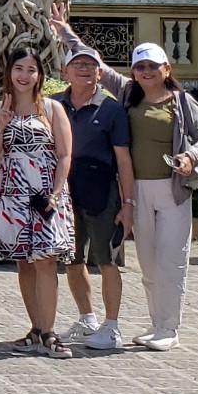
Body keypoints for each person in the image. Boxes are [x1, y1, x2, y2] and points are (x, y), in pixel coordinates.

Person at [124, 41, 198, 351]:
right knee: (147, 262)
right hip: (138, 189)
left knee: (171, 260)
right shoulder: (128, 96)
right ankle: (155, 323)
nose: (147, 71)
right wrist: (64, 32)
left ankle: (169, 327)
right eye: (140, 66)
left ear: (167, 69)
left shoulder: (180, 101)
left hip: (172, 189)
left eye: (153, 66)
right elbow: (97, 66)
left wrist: (190, 156)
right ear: (134, 72)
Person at [0, 45, 76, 358]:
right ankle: (36, 327)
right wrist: (1, 125)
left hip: (45, 193)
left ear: (39, 75)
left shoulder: (52, 109)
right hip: (13, 192)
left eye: (31, 70)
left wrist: (55, 192)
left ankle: (50, 331)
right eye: (18, 68)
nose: (24, 76)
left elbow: (64, 154)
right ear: (9, 72)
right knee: (23, 260)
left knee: (46, 259)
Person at [52, 43, 133, 352]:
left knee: (106, 260)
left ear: (100, 72)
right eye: (77, 64)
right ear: (64, 72)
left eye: (91, 65)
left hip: (102, 192)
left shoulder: (111, 108)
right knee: (72, 260)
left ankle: (112, 326)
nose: (84, 69)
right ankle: (87, 319)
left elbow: (124, 160)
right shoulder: (53, 104)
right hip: (65, 193)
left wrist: (128, 204)